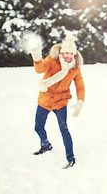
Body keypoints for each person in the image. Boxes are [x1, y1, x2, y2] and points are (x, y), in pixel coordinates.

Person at [29, 34, 85, 169]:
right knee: (38, 127)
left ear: (74, 54)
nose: (68, 55)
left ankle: (71, 158)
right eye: (65, 52)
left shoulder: (75, 69)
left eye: (71, 53)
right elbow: (39, 69)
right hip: (45, 100)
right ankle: (45, 144)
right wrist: (36, 55)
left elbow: (80, 86)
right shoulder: (52, 61)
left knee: (64, 130)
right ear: (61, 52)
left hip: (60, 103)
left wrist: (80, 102)